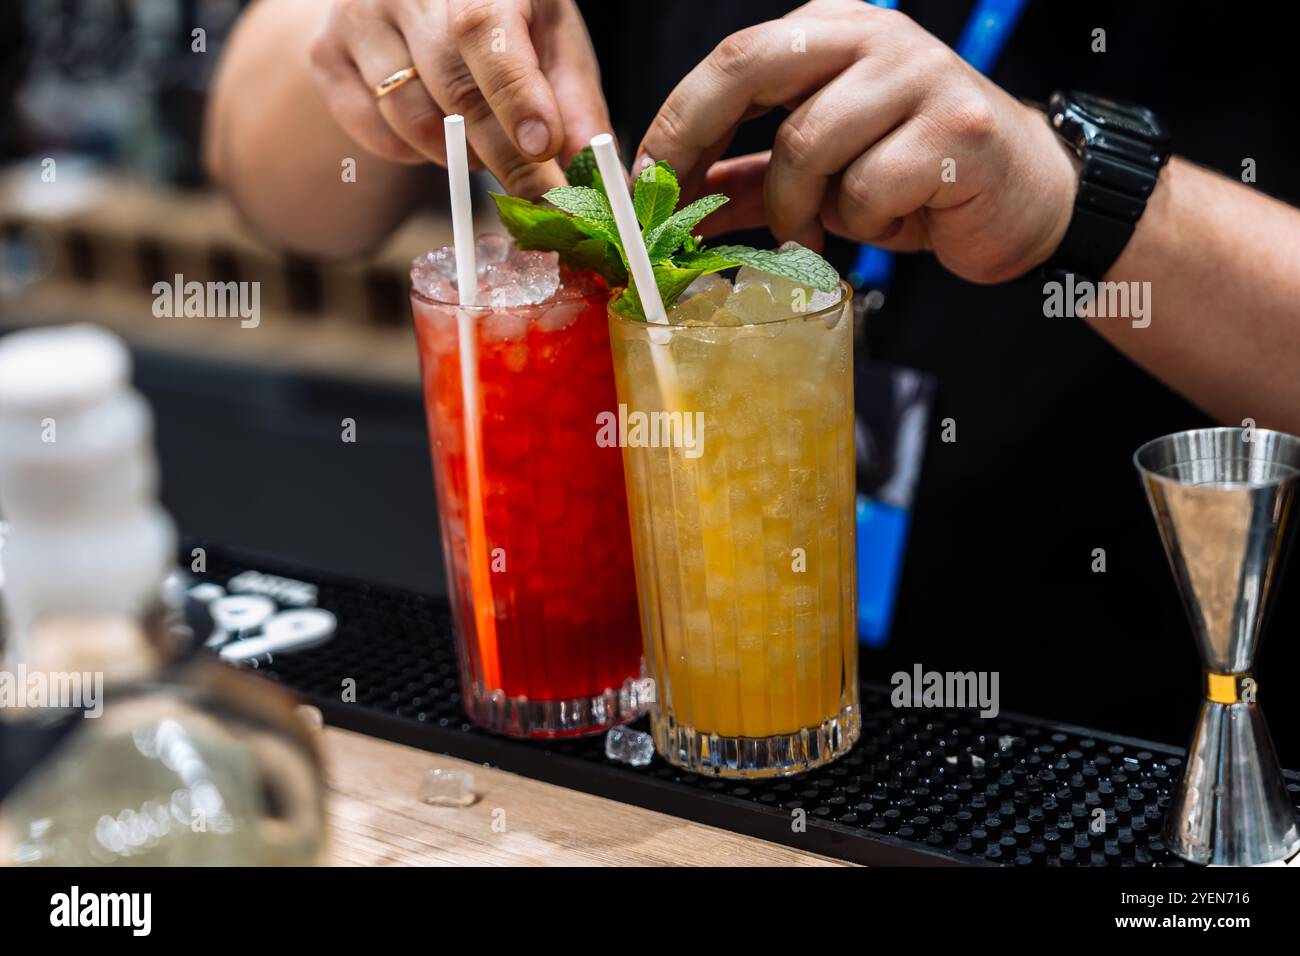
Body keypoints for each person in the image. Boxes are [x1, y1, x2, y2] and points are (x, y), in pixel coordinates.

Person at [206, 0, 1300, 748]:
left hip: (1135, 740)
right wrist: (384, 42)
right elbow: (270, 174)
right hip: (657, 717)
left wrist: (1087, 203)